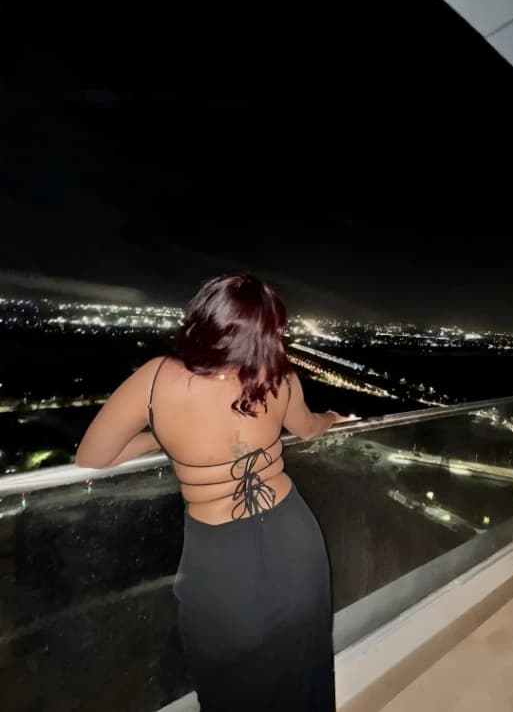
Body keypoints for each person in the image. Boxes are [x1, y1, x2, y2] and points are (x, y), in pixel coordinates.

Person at [76, 274, 346, 711]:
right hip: (295, 538)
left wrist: (164, 437)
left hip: (219, 555)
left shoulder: (156, 377)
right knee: (304, 668)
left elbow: (93, 457)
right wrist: (331, 418)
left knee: (227, 682)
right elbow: (308, 427)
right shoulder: (278, 376)